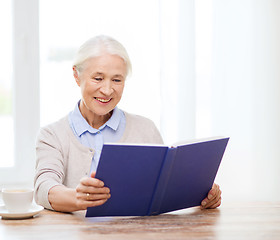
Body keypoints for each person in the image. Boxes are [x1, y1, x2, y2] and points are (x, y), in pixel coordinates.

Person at [34, 35, 222, 213]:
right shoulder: (52, 135)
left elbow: (163, 188)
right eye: (98, 78)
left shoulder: (146, 129)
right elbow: (44, 188)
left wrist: (203, 194)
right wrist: (76, 197)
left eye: (117, 80)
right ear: (77, 76)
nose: (107, 90)